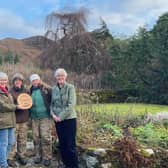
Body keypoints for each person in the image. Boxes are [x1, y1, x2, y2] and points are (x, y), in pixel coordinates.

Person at [51, 68, 78, 168]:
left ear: (65, 77)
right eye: (58, 76)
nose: (60, 77)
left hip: (69, 119)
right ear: (56, 77)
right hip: (57, 120)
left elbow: (71, 105)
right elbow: (51, 104)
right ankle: (66, 164)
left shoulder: (70, 87)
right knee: (62, 143)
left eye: (62, 75)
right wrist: (53, 114)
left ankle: (74, 165)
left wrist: (60, 117)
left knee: (70, 144)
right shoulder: (53, 89)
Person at [29, 74, 52, 166]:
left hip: (45, 117)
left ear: (39, 80)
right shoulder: (30, 91)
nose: (35, 82)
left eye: (36, 80)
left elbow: (53, 100)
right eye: (33, 80)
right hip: (34, 118)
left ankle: (47, 157)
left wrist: (52, 111)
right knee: (35, 137)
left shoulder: (46, 89)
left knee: (45, 137)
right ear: (31, 82)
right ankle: (38, 156)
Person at [8, 73, 29, 166]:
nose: (18, 82)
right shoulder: (9, 91)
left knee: (23, 139)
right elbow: (8, 106)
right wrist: (17, 107)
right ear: (13, 82)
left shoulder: (26, 91)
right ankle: (10, 157)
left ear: (22, 82)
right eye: (16, 80)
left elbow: (29, 102)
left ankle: (22, 156)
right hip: (14, 120)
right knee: (12, 140)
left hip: (24, 119)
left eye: (19, 80)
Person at [0, 72, 17, 168]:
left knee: (10, 142)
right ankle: (3, 165)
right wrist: (16, 107)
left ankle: (3, 160)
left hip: (10, 121)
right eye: (1, 80)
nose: (3, 81)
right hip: (2, 122)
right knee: (3, 143)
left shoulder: (6, 91)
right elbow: (2, 106)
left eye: (5, 80)